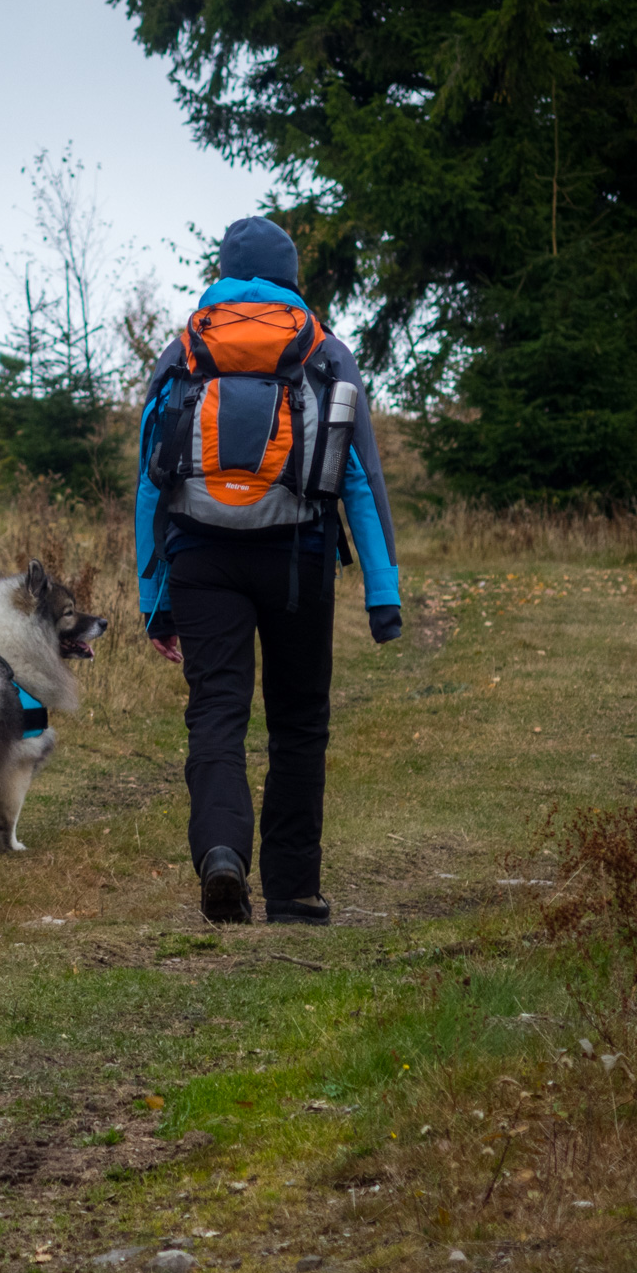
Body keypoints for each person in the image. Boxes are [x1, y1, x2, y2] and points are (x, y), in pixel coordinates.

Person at [135, 216, 402, 926]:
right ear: (290, 275)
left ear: (224, 271)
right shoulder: (323, 350)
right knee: (298, 721)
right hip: (298, 557)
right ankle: (292, 890)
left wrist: (152, 598)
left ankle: (221, 852)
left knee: (216, 713)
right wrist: (384, 592)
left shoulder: (185, 348)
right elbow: (359, 477)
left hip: (200, 554)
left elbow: (150, 482)